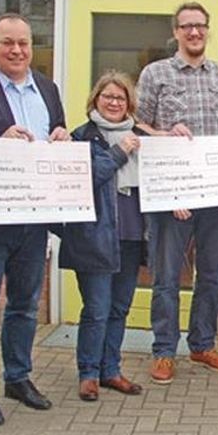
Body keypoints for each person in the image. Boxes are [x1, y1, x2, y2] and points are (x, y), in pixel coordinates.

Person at [0, 13, 70, 426]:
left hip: (34, 218)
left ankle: (18, 378)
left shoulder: (46, 87)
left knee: (25, 305)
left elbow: (56, 133)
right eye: (8, 42)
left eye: (24, 43)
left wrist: (61, 137)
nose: (17, 50)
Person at [138, 1, 218, 385]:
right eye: (186, 26)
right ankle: (164, 351)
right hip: (174, 194)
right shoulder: (156, 74)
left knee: (212, 274)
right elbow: (139, 127)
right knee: (167, 276)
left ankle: (202, 344)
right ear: (175, 32)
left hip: (216, 195)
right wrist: (163, 134)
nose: (194, 33)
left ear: (207, 29)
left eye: (200, 26)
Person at [57, 72, 156, 401]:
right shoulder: (81, 137)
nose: (114, 103)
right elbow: (86, 178)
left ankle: (110, 370)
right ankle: (88, 373)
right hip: (94, 238)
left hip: (131, 236)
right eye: (107, 97)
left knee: (119, 308)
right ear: (95, 100)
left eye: (120, 98)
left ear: (130, 103)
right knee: (96, 308)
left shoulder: (142, 137)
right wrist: (119, 153)